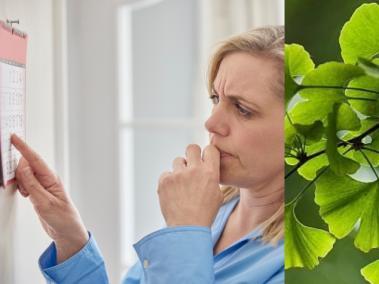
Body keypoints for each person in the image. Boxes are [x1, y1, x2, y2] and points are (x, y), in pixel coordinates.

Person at [12, 26, 284, 283]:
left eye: (242, 109)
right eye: (215, 99)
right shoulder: (212, 210)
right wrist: (70, 240)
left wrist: (185, 230)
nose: (211, 123)